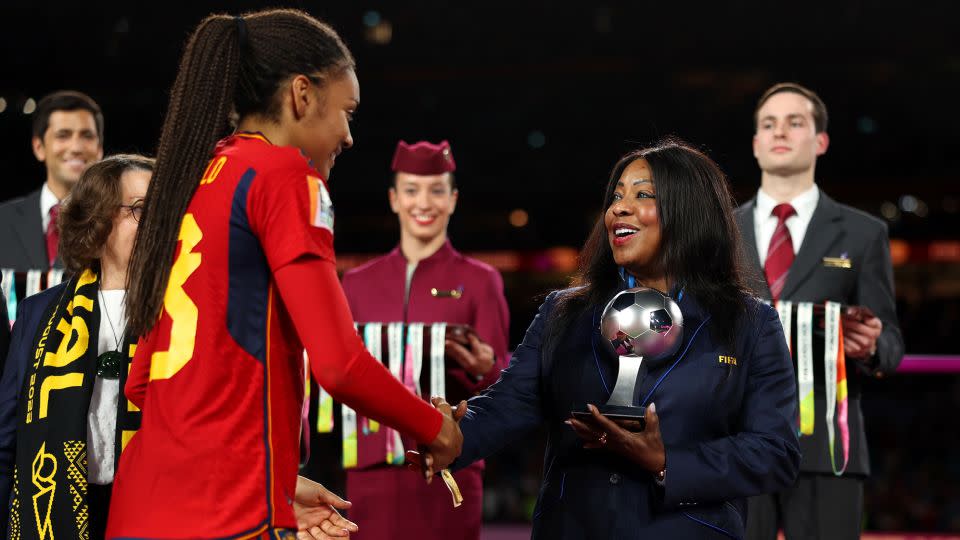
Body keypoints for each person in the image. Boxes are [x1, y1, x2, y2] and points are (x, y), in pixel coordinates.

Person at [107, 9, 462, 538]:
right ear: (301, 95)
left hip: (138, 509)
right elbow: (339, 365)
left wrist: (278, 480)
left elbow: (142, 385)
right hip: (224, 518)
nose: (348, 135)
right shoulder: (286, 177)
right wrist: (437, 429)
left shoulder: (192, 176)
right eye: (347, 111)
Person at [413, 140, 802, 539]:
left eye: (643, 194)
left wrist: (666, 460)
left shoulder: (749, 323)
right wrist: (456, 435)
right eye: (616, 196)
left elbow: (776, 453)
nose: (619, 207)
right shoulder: (563, 312)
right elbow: (509, 403)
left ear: (690, 210)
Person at [739, 83, 905, 540]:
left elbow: (891, 342)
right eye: (769, 124)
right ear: (755, 144)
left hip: (828, 448)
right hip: (733, 444)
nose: (780, 132)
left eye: (796, 122)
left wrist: (872, 344)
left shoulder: (864, 233)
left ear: (821, 140)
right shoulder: (720, 232)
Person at [341, 140, 510, 540]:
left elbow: (506, 386)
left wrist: (489, 369)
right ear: (394, 198)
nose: (424, 202)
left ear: (452, 200)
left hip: (449, 469)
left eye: (436, 190)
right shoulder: (356, 283)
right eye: (412, 189)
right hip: (368, 471)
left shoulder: (481, 280)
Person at [0, 155, 151, 538]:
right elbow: (7, 443)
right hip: (56, 510)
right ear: (96, 222)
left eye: (163, 209)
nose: (156, 222)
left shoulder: (187, 314)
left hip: (152, 512)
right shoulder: (38, 314)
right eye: (138, 210)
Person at [0, 91, 104, 272]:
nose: (76, 147)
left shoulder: (114, 224)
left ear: (99, 149)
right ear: (39, 147)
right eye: (63, 135)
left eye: (87, 136)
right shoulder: (3, 220)